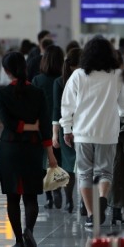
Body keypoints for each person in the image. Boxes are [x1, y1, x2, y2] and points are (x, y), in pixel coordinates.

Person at [59, 37, 124, 228]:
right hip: (108, 131)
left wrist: (67, 128)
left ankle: (91, 215)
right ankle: (103, 198)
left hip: (82, 132)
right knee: (105, 171)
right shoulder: (117, 75)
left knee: (84, 174)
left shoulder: (78, 75)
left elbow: (67, 104)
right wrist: (123, 114)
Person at [0, 52, 57, 247]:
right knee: (31, 196)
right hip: (33, 148)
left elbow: (8, 123)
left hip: (10, 149)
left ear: (6, 71)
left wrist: (24, 126)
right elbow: (45, 126)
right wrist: (50, 153)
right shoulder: (38, 93)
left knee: (12, 197)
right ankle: (28, 231)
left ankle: (18, 241)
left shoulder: (2, 94)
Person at [32, 45, 64, 210]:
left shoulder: (38, 80)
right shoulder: (64, 78)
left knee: (46, 160)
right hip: (61, 122)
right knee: (59, 159)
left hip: (42, 125)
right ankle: (58, 188)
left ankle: (49, 196)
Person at [52, 48, 81, 213]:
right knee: (84, 167)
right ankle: (82, 202)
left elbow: (57, 110)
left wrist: (56, 133)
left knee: (69, 167)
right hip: (82, 128)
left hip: (66, 128)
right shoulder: (85, 79)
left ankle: (69, 199)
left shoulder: (59, 81)